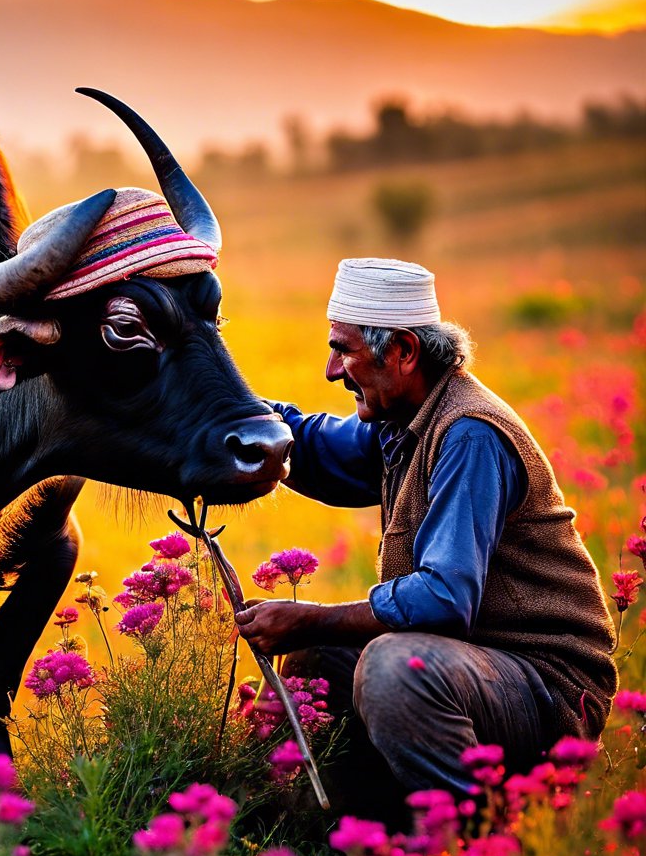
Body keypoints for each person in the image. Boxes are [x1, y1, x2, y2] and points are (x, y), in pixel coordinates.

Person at [235, 257, 617, 818]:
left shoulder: (470, 436)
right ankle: (326, 831)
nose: (331, 369)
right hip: (477, 671)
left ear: (405, 352)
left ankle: (483, 844)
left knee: (394, 668)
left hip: (547, 690)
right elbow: (316, 448)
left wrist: (311, 615)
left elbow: (443, 600)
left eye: (344, 349)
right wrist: (216, 409)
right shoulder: (402, 419)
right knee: (323, 656)